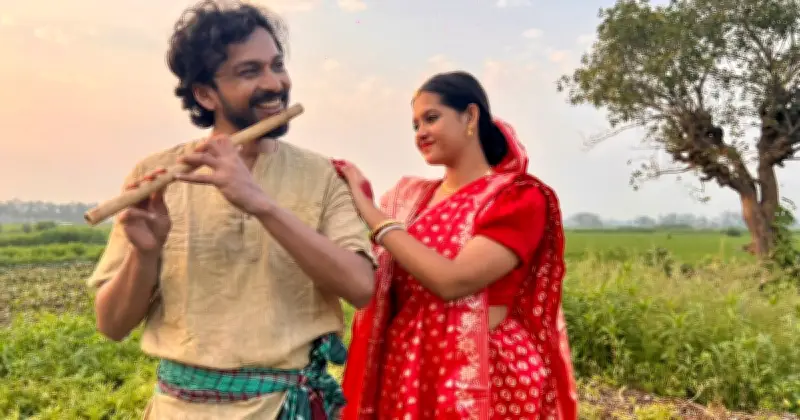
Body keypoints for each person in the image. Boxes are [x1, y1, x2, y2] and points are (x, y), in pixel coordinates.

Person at [86, 1, 375, 419]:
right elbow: (112, 325)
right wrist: (144, 253)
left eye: (277, 65)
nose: (275, 83)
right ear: (206, 94)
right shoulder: (156, 175)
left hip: (285, 407)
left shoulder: (324, 175)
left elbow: (361, 287)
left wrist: (261, 205)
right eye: (249, 71)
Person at [335, 71, 578, 419]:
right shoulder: (409, 201)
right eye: (415, 125)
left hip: (485, 373)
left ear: (470, 116)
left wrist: (372, 215)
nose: (420, 132)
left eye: (431, 118)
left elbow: (453, 281)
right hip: (407, 368)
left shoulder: (517, 197)